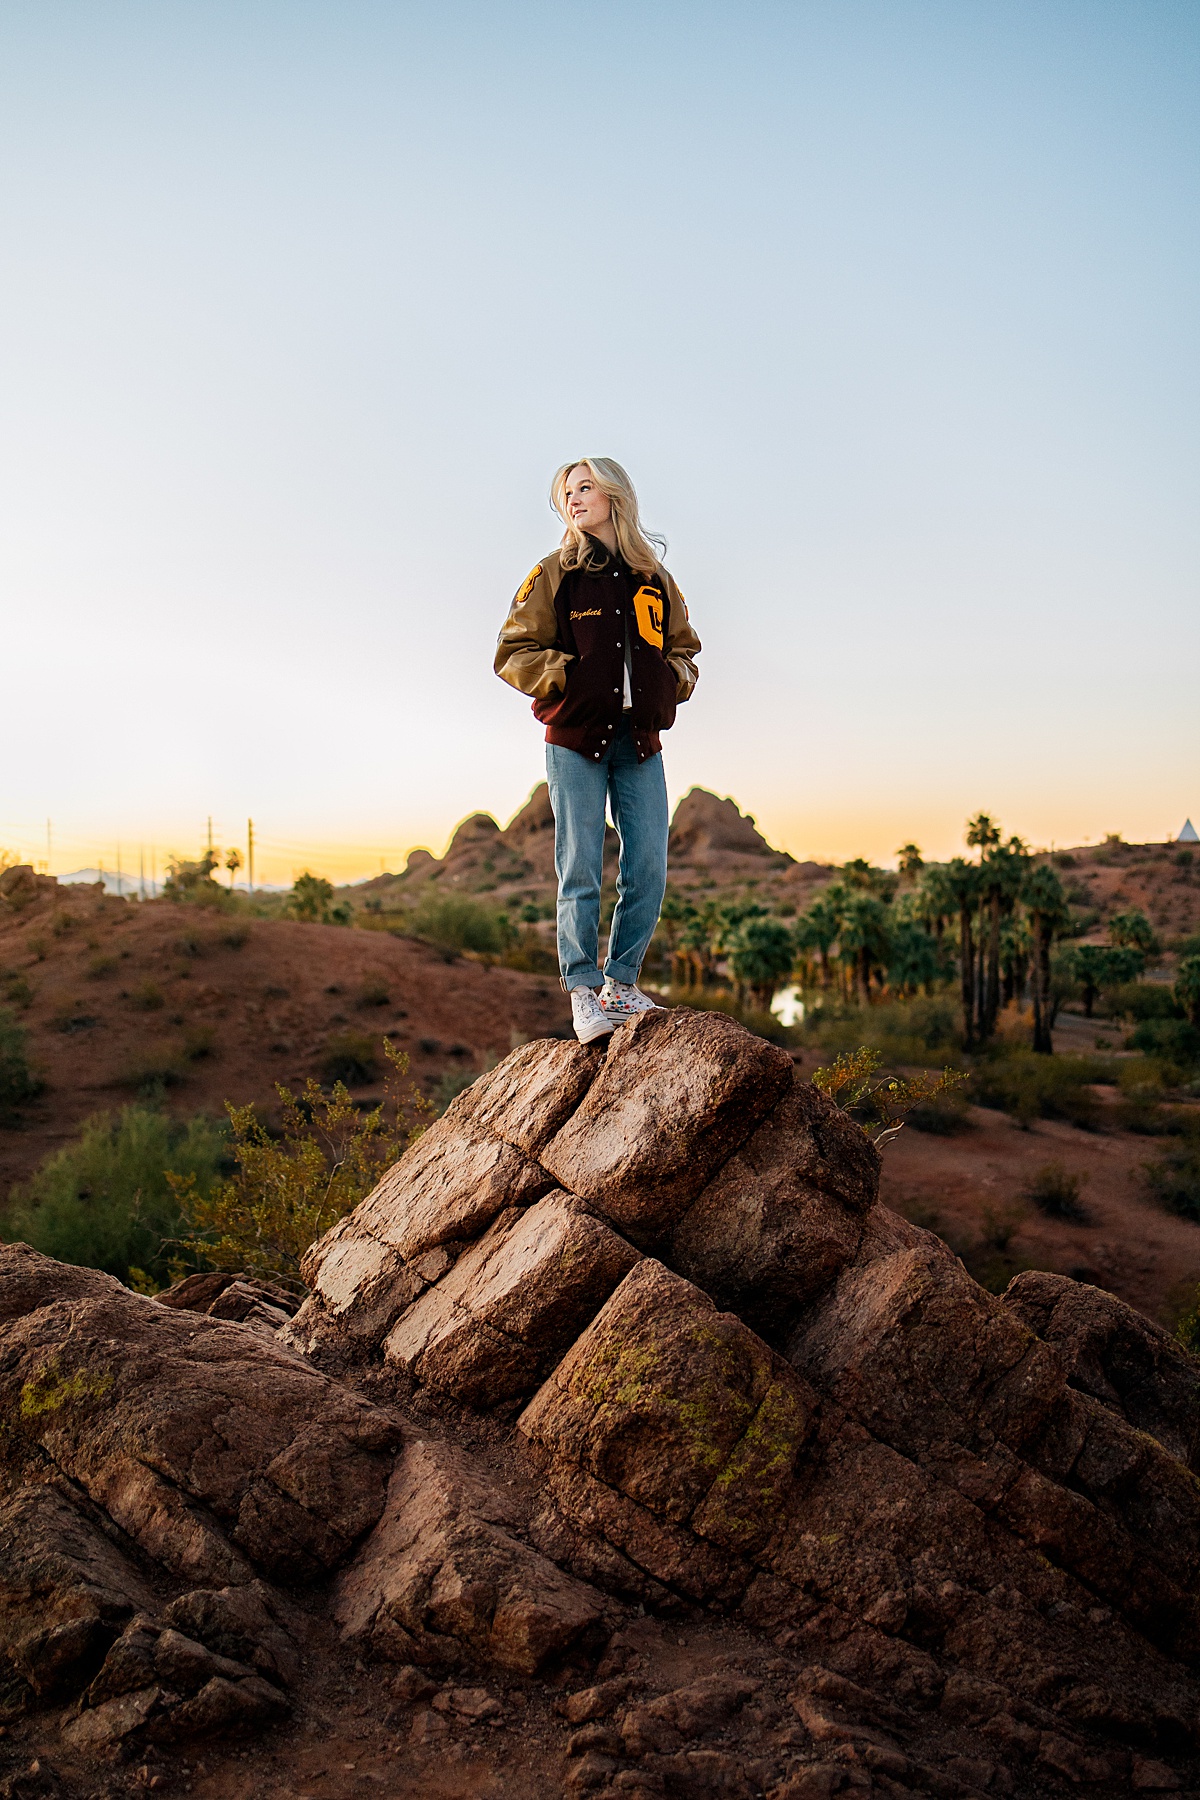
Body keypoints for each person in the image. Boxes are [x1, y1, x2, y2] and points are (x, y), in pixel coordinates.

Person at [495, 458, 701, 1043]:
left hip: (640, 743)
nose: (575, 500)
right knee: (580, 868)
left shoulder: (653, 579)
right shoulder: (554, 574)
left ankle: (621, 985)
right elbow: (513, 651)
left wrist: (669, 685)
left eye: (585, 488)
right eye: (567, 493)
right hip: (577, 742)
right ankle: (583, 992)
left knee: (649, 870)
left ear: (614, 496)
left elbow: (686, 651)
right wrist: (570, 679)